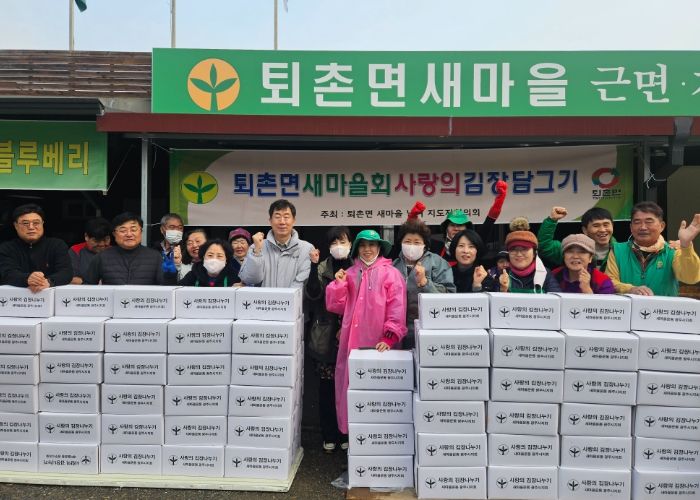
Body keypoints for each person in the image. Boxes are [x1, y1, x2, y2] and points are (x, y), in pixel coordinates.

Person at [325, 229, 407, 437]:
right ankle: (357, 440)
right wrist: (338, 284)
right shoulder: (350, 273)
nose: (367, 249)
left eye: (372, 245)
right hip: (352, 343)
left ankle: (380, 440)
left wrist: (390, 336)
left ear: (379, 248)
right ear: (356, 248)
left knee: (380, 392)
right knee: (352, 388)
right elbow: (336, 306)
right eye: (362, 245)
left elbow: (397, 307)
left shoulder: (391, 274)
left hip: (382, 344)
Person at [304, 226, 353, 454]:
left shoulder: (358, 267)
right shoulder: (323, 267)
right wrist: (314, 266)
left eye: (342, 241)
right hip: (326, 336)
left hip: (351, 335)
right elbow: (313, 294)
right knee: (327, 389)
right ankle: (329, 434)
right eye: (334, 242)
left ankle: (346, 433)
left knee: (349, 388)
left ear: (351, 244)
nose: (338, 246)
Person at [606, 202, 700, 296]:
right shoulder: (618, 250)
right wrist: (630, 289)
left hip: (663, 306)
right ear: (631, 227)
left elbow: (690, 278)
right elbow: (609, 281)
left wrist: (686, 245)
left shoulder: (673, 250)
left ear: (662, 226)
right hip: (628, 305)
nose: (643, 227)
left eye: (649, 222)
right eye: (637, 222)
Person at [393, 215, 455, 348]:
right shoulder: (393, 266)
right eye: (407, 241)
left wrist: (425, 283)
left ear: (425, 245)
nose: (412, 246)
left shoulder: (438, 263)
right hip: (398, 332)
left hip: (429, 328)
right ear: (401, 243)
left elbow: (450, 296)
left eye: (417, 242)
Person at [239, 199, 314, 288]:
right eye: (277, 217)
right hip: (264, 297)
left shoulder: (306, 249)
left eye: (286, 217)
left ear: (294, 221)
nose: (282, 222)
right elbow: (251, 279)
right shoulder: (256, 247)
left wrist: (285, 296)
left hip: (293, 297)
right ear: (270, 221)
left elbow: (303, 282)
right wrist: (257, 253)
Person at [430, 180, 508, 265]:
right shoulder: (436, 246)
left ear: (467, 228)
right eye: (452, 225)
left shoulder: (476, 243)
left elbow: (488, 223)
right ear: (446, 228)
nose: (456, 228)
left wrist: (499, 201)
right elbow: (420, 238)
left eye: (460, 225)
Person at [0, 204, 73, 292]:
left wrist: (49, 282)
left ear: (42, 224)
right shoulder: (6, 248)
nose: (31, 227)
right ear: (16, 226)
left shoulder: (57, 245)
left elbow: (66, 272)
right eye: (25, 223)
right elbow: (7, 273)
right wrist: (27, 279)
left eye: (36, 223)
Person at [84, 212, 163, 285]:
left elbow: (164, 287)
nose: (129, 234)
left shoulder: (155, 257)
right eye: (123, 230)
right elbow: (87, 286)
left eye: (133, 230)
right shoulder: (102, 257)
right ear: (114, 234)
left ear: (141, 231)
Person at [537, 206, 617, 272]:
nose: (602, 230)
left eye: (606, 225)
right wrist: (552, 220)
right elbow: (545, 246)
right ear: (585, 230)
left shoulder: (621, 250)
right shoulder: (570, 250)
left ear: (612, 226)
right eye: (596, 226)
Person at [499, 222, 561, 293]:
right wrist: (503, 290)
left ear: (534, 253)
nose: (519, 254)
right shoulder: (501, 274)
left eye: (524, 249)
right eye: (513, 249)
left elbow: (556, 297)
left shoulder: (545, 274)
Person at [69, 217, 111, 284]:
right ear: (86, 236)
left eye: (106, 239)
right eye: (97, 240)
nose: (102, 244)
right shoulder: (75, 251)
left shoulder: (114, 252)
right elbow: (70, 278)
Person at [154, 213, 184, 285]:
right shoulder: (154, 250)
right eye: (172, 227)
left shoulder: (187, 249)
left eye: (180, 228)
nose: (176, 231)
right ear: (162, 229)